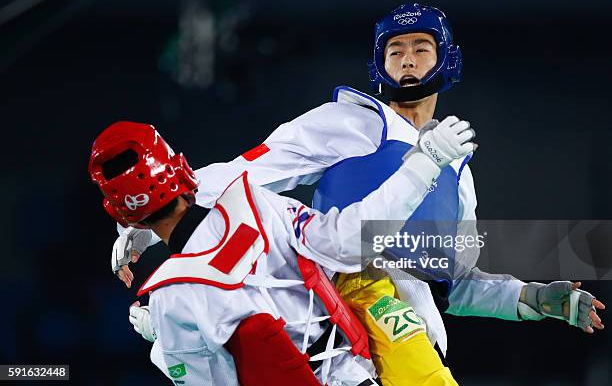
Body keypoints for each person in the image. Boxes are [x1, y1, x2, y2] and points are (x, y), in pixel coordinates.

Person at [117, 3, 604, 384]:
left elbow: (455, 284)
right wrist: (157, 215)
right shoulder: (355, 120)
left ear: (446, 59)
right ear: (380, 63)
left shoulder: (458, 171)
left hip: (417, 332)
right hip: (344, 302)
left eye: (420, 47)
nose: (408, 58)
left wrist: (535, 297)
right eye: (396, 50)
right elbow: (254, 166)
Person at [91, 118, 475, 385]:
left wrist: (164, 340)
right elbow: (352, 239)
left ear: (129, 218)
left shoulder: (170, 300)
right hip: (368, 373)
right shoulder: (261, 207)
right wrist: (426, 164)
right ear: (181, 169)